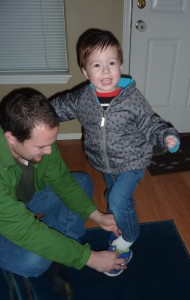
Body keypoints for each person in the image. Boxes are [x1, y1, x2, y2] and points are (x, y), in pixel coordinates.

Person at [51, 29, 180, 277]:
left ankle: (128, 239)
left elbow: (149, 122)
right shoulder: (82, 98)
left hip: (133, 161)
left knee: (117, 200)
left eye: (112, 63)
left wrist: (165, 136)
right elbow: (58, 107)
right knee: (113, 193)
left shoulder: (131, 98)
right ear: (85, 72)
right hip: (104, 163)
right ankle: (121, 224)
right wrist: (35, 115)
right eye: (97, 65)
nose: (106, 71)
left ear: (120, 64)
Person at [0, 87, 127, 297]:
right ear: (11, 138)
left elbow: (63, 183)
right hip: (5, 222)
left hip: (21, 202)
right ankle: (56, 253)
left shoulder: (41, 145)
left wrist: (97, 216)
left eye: (51, 142)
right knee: (35, 260)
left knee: (81, 182)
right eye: (41, 146)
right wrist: (91, 259)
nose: (49, 151)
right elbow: (27, 231)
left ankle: (59, 251)